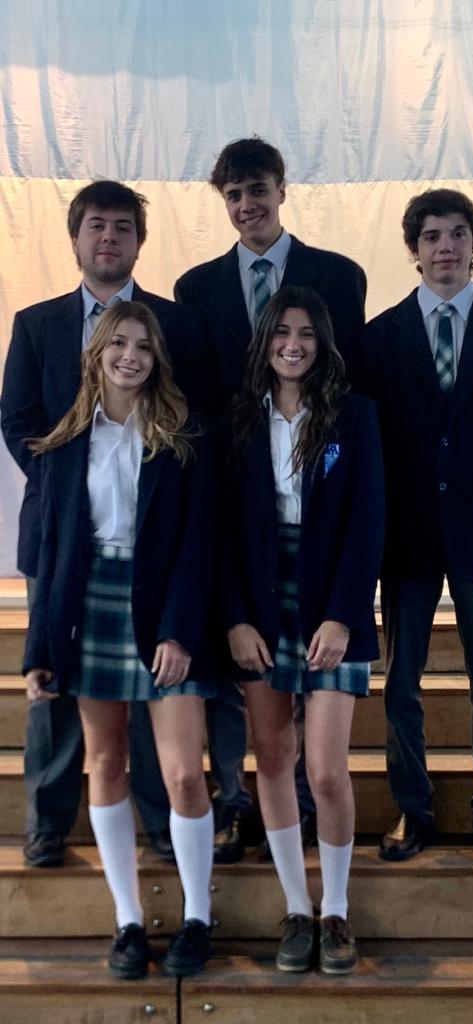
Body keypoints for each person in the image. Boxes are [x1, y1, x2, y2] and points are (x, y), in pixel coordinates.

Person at [1, 180, 208, 867]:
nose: (109, 237)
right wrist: (66, 482)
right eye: (97, 225)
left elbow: (192, 420)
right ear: (76, 237)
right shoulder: (37, 323)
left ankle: (159, 818)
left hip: (149, 538)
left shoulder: (173, 324)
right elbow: (17, 419)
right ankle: (48, 823)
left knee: (152, 681)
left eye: (123, 227)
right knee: (56, 687)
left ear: (139, 242)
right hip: (59, 538)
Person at [175, 137, 367, 861]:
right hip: (234, 488)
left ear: (282, 190)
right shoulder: (197, 288)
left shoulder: (338, 277)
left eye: (258, 189)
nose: (247, 204)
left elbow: (349, 381)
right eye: (234, 194)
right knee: (238, 671)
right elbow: (198, 393)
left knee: (312, 702)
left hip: (314, 491)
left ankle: (310, 813)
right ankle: (236, 802)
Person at [23, 301, 216, 979]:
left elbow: (199, 545)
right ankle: (128, 921)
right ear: (96, 354)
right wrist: (39, 651)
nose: (130, 356)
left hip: (164, 610)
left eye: (142, 346)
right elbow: (52, 554)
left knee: (183, 773)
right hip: (92, 609)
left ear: (156, 358)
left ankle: (199, 917)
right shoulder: (65, 444)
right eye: (118, 344)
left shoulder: (184, 437)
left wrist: (180, 631)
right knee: (104, 765)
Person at [356, 188, 473, 864]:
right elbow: (373, 433)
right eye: (432, 235)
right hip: (407, 531)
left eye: (457, 233)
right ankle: (413, 808)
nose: (445, 247)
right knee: (401, 679)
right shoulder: (381, 337)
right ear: (414, 249)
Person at [221, 285, 384, 974]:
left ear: (323, 343)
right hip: (261, 602)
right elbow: (222, 532)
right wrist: (235, 618)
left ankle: (336, 910)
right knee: (273, 758)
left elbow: (368, 522)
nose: (293, 345)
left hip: (330, 598)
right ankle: (296, 907)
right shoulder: (236, 419)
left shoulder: (355, 415)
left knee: (324, 769)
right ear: (265, 341)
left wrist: (344, 614)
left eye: (307, 334)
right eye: (282, 332)